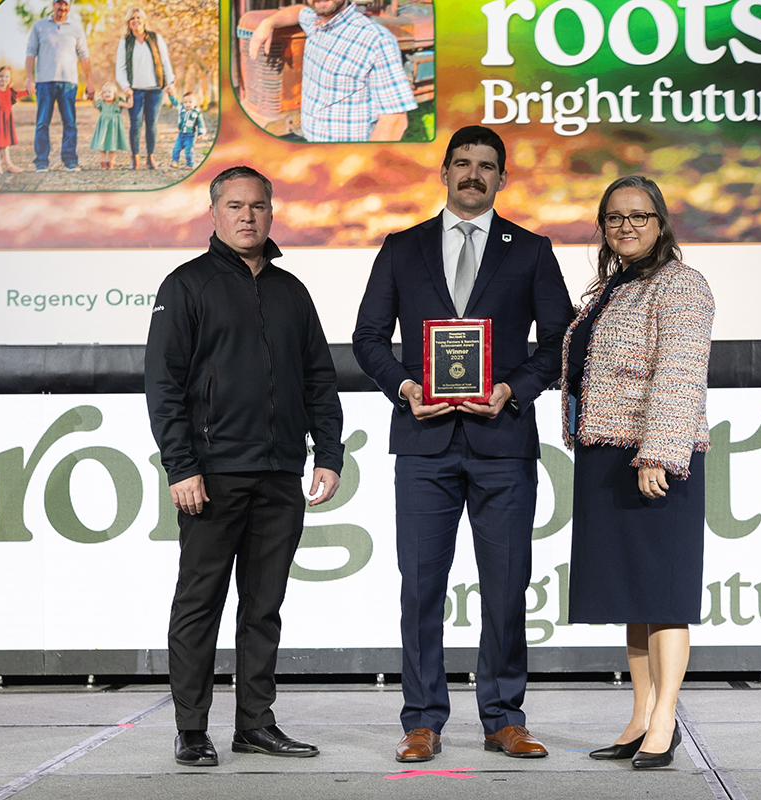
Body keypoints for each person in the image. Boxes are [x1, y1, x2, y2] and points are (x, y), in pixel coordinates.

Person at [353, 126, 574, 762]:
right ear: (444, 172)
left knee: (506, 584)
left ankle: (504, 717)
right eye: (462, 164)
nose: (473, 175)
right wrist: (403, 385)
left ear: (502, 178)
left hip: (502, 441)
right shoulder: (402, 248)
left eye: (486, 166)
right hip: (424, 442)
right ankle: (422, 719)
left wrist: (512, 388)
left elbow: (559, 342)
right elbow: (368, 338)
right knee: (421, 584)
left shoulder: (530, 250)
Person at [145, 166, 344, 767]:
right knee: (199, 603)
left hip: (280, 474)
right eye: (235, 205)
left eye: (257, 206)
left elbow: (318, 380)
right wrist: (181, 467)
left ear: (271, 212)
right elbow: (163, 386)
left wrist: (328, 454)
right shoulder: (185, 286)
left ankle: (255, 723)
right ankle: (191, 729)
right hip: (210, 475)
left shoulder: (292, 292)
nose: (247, 216)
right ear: (214, 212)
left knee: (263, 606)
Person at [561, 176, 714, 769]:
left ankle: (665, 720)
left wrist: (658, 453)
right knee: (633, 595)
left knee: (664, 593)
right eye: (614, 217)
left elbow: (679, 373)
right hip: (606, 453)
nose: (626, 226)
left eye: (638, 216)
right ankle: (638, 715)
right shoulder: (609, 287)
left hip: (654, 458)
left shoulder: (682, 284)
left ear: (661, 222)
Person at [248, 0, 417, 142]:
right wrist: (268, 22)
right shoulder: (314, 22)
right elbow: (299, 11)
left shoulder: (376, 40)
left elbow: (395, 120)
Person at [25, 0, 92, 172]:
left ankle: (70, 160)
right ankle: (41, 161)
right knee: (42, 123)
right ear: (53, 4)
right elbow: (30, 52)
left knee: (70, 123)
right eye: (59, 4)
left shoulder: (76, 28)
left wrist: (89, 80)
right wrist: (29, 78)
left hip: (68, 82)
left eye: (66, 5)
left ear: (69, 7)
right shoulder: (39, 26)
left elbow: (84, 55)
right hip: (44, 82)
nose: (62, 8)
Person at [115, 6, 176, 169]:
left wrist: (170, 82)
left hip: (155, 89)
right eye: (132, 19)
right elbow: (120, 68)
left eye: (138, 18)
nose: (135, 21)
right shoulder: (125, 42)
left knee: (152, 124)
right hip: (134, 90)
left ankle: (151, 157)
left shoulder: (156, 38)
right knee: (135, 124)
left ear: (144, 20)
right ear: (128, 22)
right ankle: (135, 158)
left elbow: (165, 62)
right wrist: (126, 87)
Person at [89, 81, 132, 170]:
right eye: (104, 92)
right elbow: (94, 105)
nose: (107, 94)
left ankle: (110, 162)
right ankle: (103, 162)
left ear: (115, 94)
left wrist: (130, 97)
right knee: (102, 145)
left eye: (109, 92)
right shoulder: (101, 103)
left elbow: (129, 105)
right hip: (103, 128)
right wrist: (92, 98)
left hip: (113, 128)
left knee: (112, 146)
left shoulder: (117, 103)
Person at [168, 91, 207, 169]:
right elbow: (175, 102)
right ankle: (175, 161)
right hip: (181, 134)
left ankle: (190, 164)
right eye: (185, 102)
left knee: (188, 151)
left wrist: (201, 133)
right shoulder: (181, 109)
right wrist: (170, 94)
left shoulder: (196, 113)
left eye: (190, 102)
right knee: (176, 148)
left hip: (190, 136)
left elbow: (200, 124)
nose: (187, 104)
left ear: (195, 103)